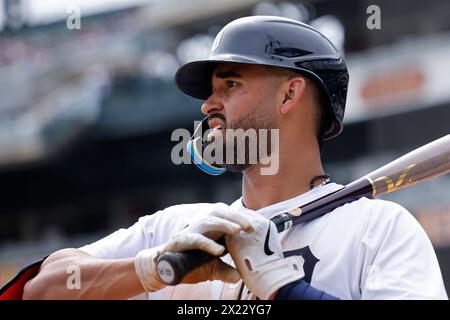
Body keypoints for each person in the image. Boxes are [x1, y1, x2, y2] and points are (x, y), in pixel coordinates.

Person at [21, 16, 447, 300]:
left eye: (230, 84)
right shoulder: (180, 229)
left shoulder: (377, 230)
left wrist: (283, 287)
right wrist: (156, 268)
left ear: (289, 93)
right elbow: (39, 290)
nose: (208, 105)